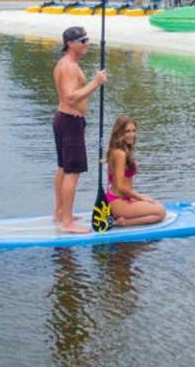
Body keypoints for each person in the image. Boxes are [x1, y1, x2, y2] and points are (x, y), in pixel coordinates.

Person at [52, 26, 106, 234]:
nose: (87, 44)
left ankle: (60, 212)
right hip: (70, 121)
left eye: (87, 40)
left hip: (65, 120)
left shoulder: (69, 64)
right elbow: (70, 98)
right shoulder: (68, 67)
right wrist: (96, 83)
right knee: (72, 172)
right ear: (70, 44)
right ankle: (67, 222)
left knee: (63, 168)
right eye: (82, 41)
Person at [104, 116, 166, 226]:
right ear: (119, 133)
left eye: (133, 131)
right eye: (127, 131)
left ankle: (124, 216)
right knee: (160, 212)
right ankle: (124, 222)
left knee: (155, 203)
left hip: (123, 199)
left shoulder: (120, 151)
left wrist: (137, 197)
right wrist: (140, 197)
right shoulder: (120, 154)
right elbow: (120, 187)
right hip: (118, 202)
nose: (131, 134)